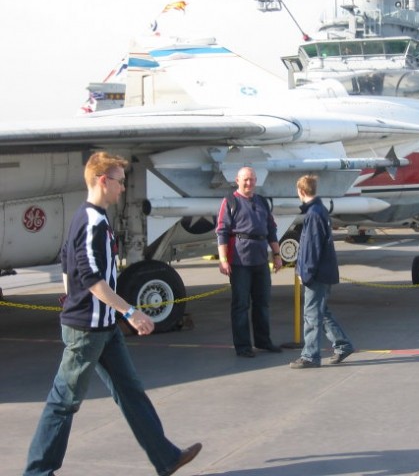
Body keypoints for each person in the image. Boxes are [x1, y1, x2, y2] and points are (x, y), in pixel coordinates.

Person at [24, 152, 201, 476]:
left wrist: (75, 299)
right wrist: (131, 312)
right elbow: (92, 279)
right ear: (103, 181)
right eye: (119, 181)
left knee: (130, 392)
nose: (123, 188)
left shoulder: (90, 218)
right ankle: (37, 472)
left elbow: (68, 262)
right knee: (64, 402)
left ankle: (166, 457)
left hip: (103, 327)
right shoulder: (91, 221)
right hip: (87, 331)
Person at [216, 166, 283, 357]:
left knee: (262, 303)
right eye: (245, 179)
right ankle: (243, 346)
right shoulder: (229, 201)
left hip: (261, 259)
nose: (249, 183)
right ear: (237, 180)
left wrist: (277, 255)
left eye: (252, 179)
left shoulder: (262, 201)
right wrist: (223, 260)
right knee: (241, 305)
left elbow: (271, 230)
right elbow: (221, 232)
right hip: (239, 262)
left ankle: (263, 341)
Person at [290, 175, 354, 369]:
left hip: (316, 274)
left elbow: (311, 248)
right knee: (322, 312)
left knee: (311, 316)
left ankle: (310, 355)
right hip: (324, 272)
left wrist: (305, 273)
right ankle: (343, 345)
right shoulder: (320, 211)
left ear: (300, 191)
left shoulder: (313, 214)